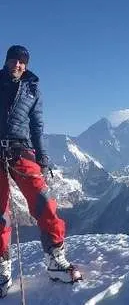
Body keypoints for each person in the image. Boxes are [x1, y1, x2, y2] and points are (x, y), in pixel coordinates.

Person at [0, 45, 81, 297]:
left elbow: (37, 126)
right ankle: (2, 269)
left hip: (21, 151)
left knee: (45, 203)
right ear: (7, 61)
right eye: (13, 60)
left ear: (26, 65)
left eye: (22, 61)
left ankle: (55, 259)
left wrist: (43, 156)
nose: (17, 64)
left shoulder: (33, 89)